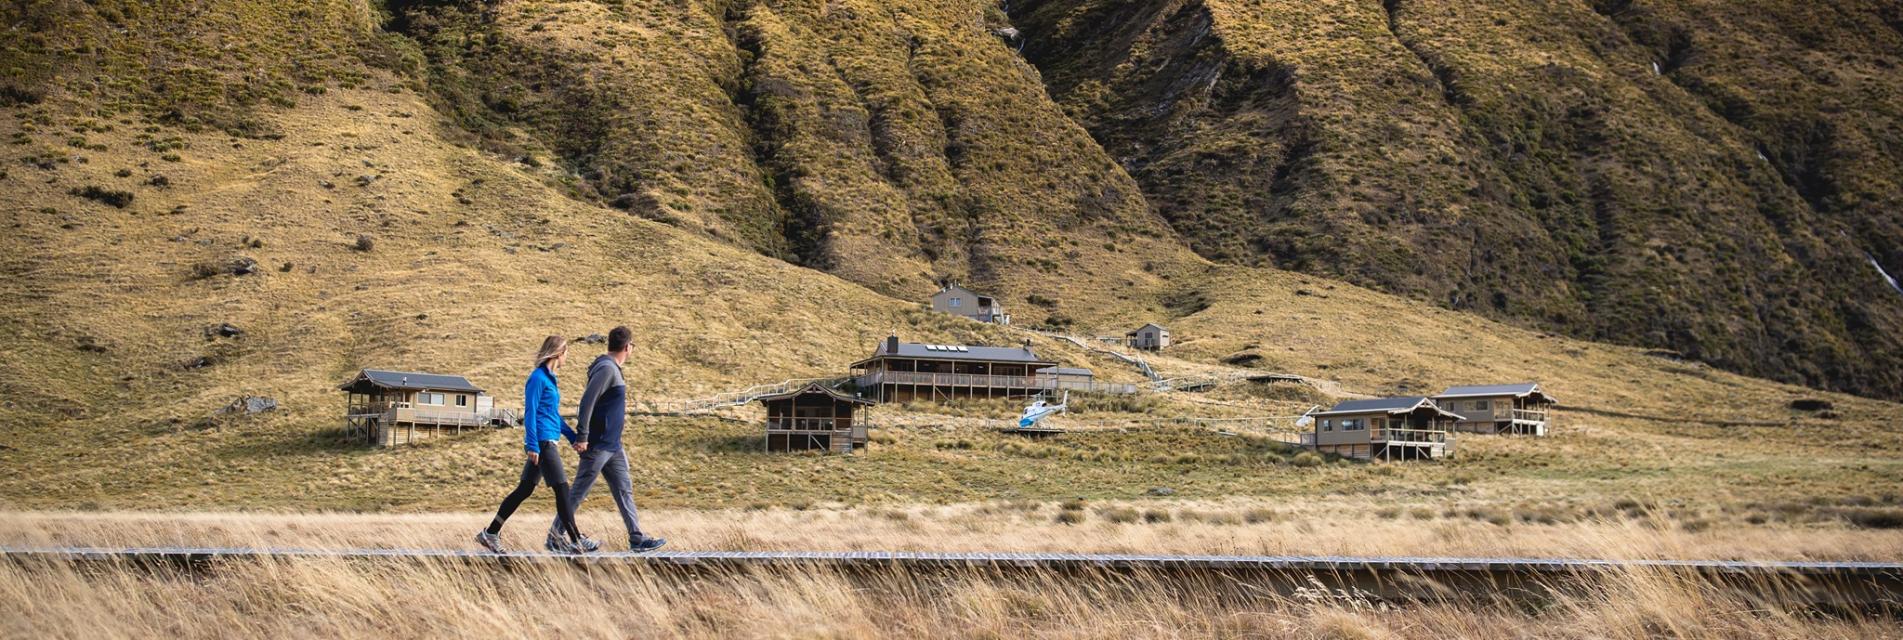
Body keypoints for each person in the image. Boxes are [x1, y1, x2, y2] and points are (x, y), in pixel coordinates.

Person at [475, 335, 600, 554]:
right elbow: (530, 413)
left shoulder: (551, 379)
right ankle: (575, 539)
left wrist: (572, 437)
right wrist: (532, 444)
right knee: (563, 490)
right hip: (542, 443)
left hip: (548, 438)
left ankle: (491, 533)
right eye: (566, 353)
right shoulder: (537, 378)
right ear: (559, 353)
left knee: (524, 489)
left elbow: (552, 415)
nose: (567, 357)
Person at [549, 326, 667, 552]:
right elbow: (587, 402)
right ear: (627, 347)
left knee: (624, 489)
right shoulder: (606, 369)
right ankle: (555, 536)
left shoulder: (611, 368)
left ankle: (636, 537)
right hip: (597, 445)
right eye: (632, 346)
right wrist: (582, 436)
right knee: (578, 493)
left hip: (613, 446)